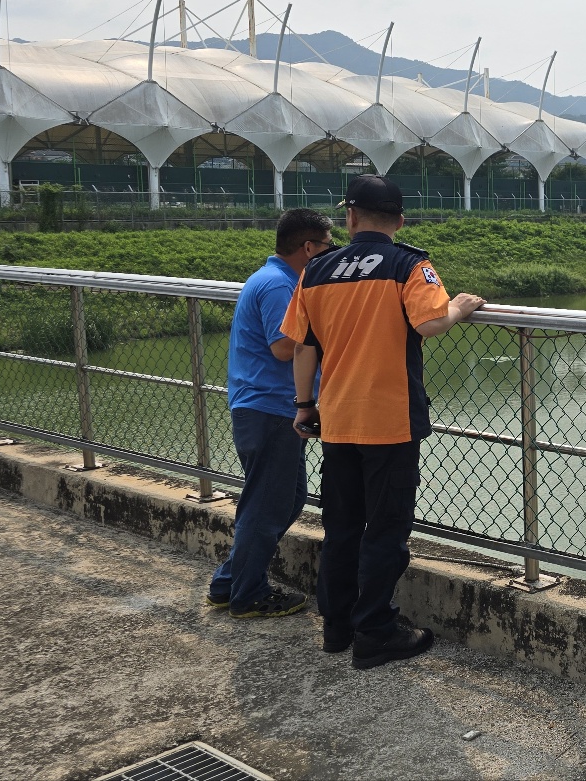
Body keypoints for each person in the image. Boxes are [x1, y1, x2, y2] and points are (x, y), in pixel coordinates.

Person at [281, 175, 485, 670]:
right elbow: (429, 323)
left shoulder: (317, 269)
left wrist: (304, 405)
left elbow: (303, 346)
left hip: (337, 417)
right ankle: (375, 631)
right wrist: (458, 306)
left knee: (342, 525)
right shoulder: (408, 264)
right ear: (400, 221)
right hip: (390, 420)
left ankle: (336, 626)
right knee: (386, 530)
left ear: (350, 218)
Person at [206, 208, 335, 618]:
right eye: (329, 246)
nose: (333, 253)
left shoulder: (276, 279)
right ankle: (247, 594)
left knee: (285, 499)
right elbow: (283, 347)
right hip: (270, 408)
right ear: (309, 248)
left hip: (267, 407)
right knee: (267, 504)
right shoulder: (280, 285)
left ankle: (229, 583)